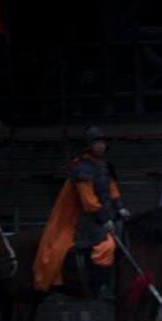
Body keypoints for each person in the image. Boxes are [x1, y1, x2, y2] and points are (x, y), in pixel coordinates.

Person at [33, 125, 128, 296]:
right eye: (96, 143)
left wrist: (120, 207)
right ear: (89, 145)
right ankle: (102, 287)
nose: (100, 146)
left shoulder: (106, 166)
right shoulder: (82, 168)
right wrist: (104, 219)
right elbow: (88, 201)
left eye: (102, 142)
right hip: (89, 220)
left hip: (109, 215)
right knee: (106, 246)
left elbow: (113, 190)